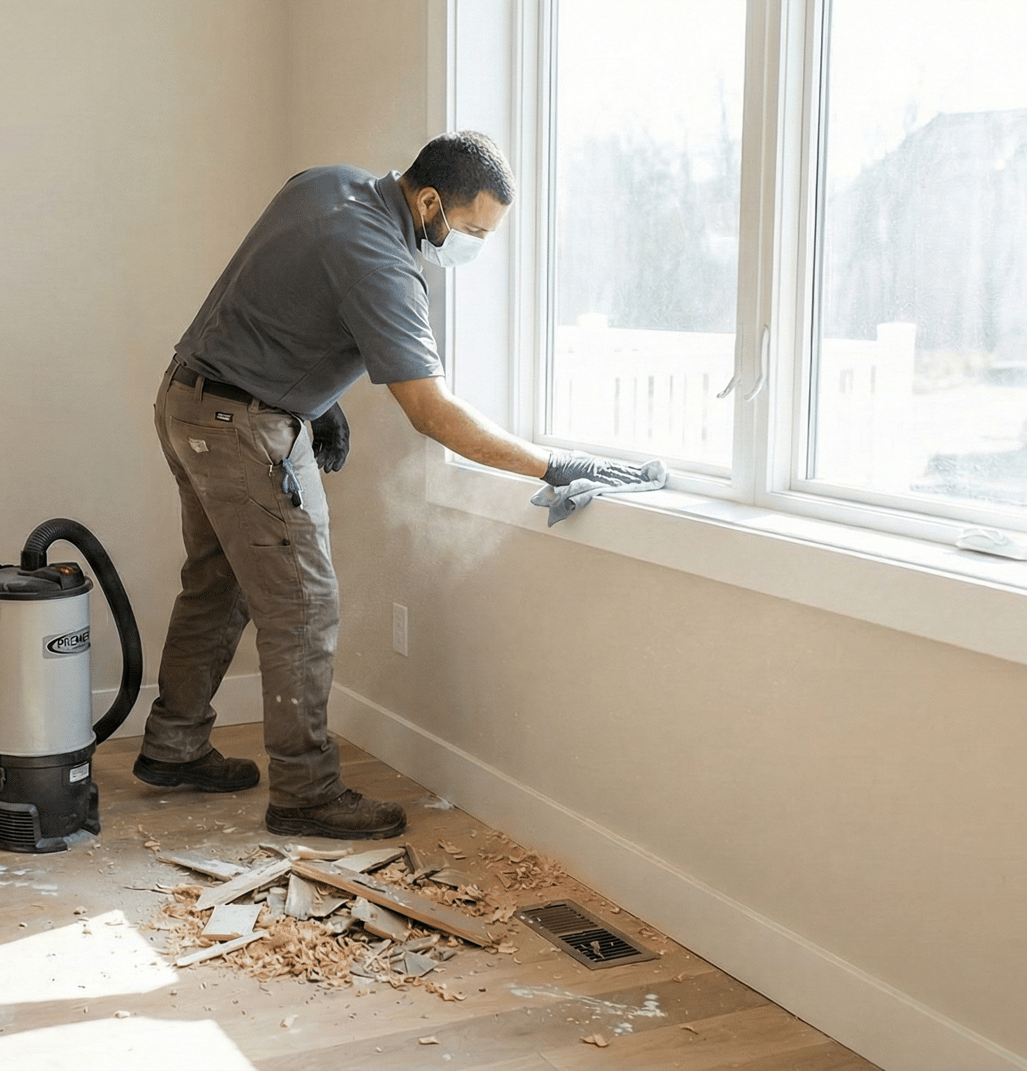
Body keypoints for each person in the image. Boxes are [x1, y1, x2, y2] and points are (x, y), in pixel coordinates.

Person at [134, 132, 660, 839]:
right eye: (471, 230)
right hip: (241, 427)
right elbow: (432, 413)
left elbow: (280, 296)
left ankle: (174, 744)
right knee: (303, 606)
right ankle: (305, 792)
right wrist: (551, 464)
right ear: (431, 200)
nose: (471, 246)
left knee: (216, 581)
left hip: (186, 400)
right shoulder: (382, 259)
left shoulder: (325, 181)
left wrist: (317, 400)